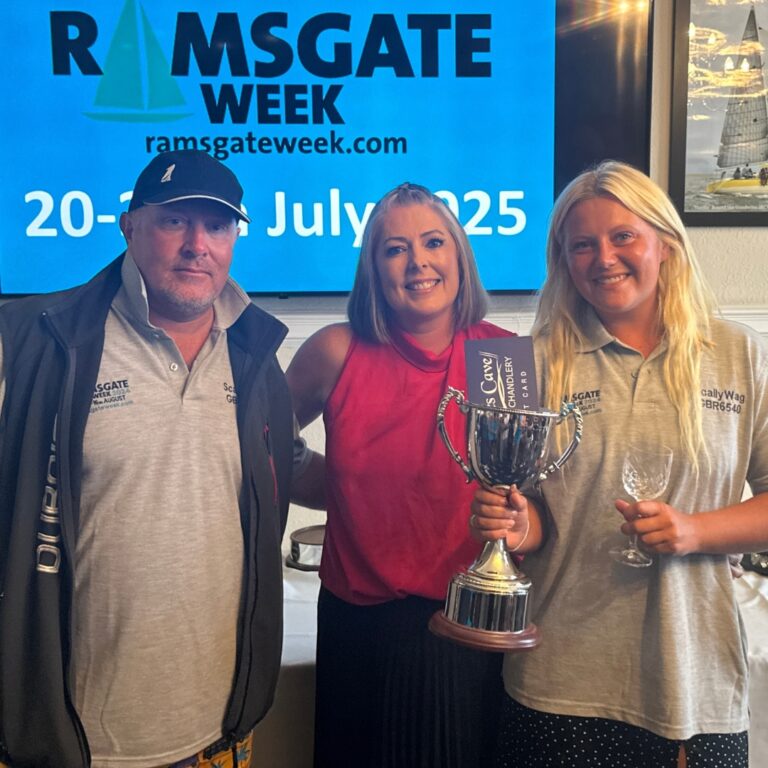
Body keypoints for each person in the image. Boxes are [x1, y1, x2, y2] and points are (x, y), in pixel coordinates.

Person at [0, 150, 295, 768]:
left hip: (220, 730)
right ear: (129, 226)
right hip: (73, 739)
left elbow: (285, 465)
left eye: (217, 226)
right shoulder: (34, 341)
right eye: (173, 221)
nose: (198, 245)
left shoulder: (255, 354)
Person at [472, 160, 768, 768]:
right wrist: (519, 527)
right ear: (564, 260)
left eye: (623, 236)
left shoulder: (738, 353)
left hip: (694, 687)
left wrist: (693, 532)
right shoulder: (526, 363)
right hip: (557, 682)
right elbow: (539, 521)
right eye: (582, 244)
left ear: (665, 242)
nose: (603, 257)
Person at [287, 182, 516, 768]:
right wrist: (340, 493)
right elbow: (262, 447)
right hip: (356, 624)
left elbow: (531, 493)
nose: (418, 262)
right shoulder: (336, 350)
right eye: (395, 249)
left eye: (434, 242)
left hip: (465, 625)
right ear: (373, 269)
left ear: (459, 255)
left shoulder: (505, 358)